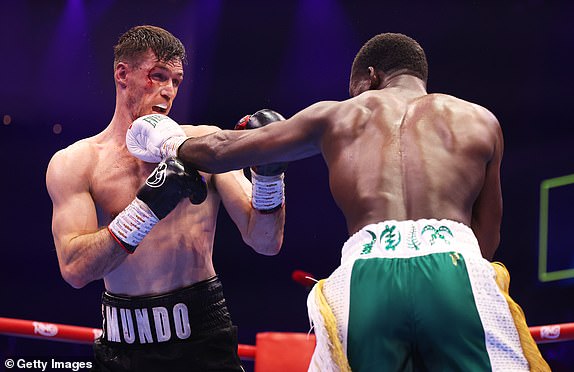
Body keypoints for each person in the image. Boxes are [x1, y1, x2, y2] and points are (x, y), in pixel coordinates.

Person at [127, 33, 551, 371]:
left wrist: (166, 139)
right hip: (455, 266)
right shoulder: (480, 120)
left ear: (369, 75)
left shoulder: (338, 114)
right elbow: (487, 240)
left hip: (367, 273)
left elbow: (220, 149)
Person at [45, 25, 286, 371]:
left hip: (203, 339)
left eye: (175, 82)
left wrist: (269, 175)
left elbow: (266, 241)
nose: (168, 91)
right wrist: (145, 209)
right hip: (122, 347)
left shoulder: (205, 146)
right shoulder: (77, 163)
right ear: (122, 74)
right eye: (158, 77)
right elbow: (74, 269)